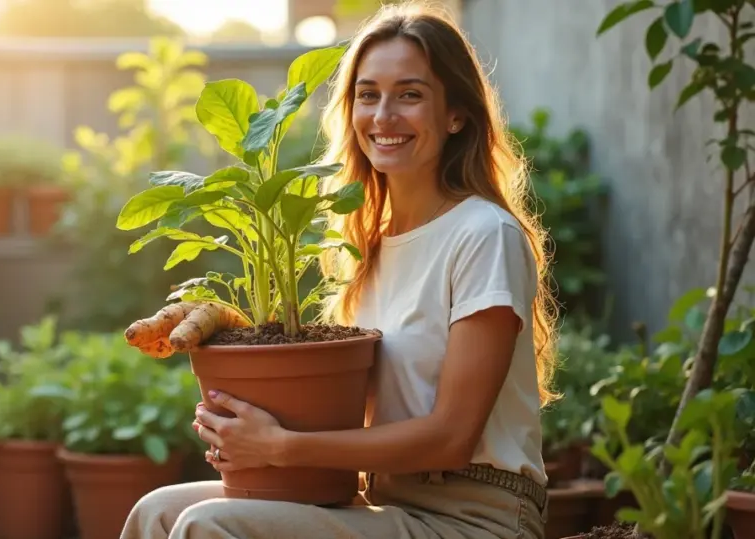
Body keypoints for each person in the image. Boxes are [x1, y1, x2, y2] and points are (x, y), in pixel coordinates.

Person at [121, 2, 560, 538]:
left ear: (456, 115)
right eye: (368, 94)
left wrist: (280, 447)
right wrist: (244, 406)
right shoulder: (366, 247)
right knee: (157, 511)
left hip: (474, 518)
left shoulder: (482, 235)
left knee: (206, 526)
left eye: (410, 94)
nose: (383, 116)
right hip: (379, 499)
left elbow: (451, 437)